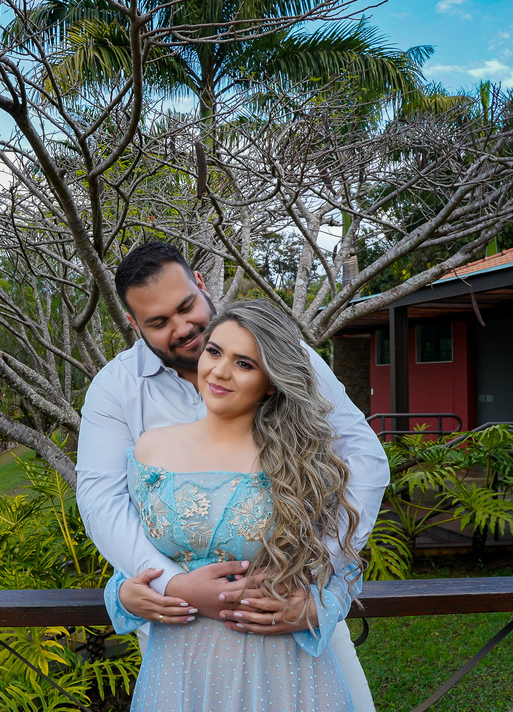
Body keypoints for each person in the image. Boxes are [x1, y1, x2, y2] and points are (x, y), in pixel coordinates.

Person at [76, 242, 388, 710]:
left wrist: (320, 585)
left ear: (202, 284)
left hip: (298, 628)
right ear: (134, 326)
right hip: (181, 640)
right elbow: (103, 501)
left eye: (186, 307)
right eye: (159, 323)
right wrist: (170, 585)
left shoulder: (285, 357)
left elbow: (362, 456)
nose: (183, 329)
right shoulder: (115, 389)